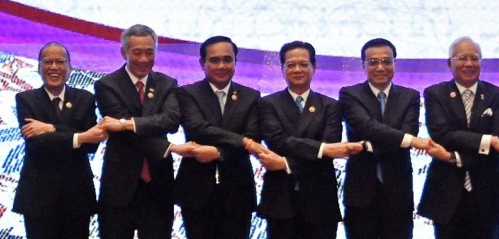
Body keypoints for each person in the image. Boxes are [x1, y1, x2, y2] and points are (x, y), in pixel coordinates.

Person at [176, 35, 284, 239]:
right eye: (214, 60)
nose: (222, 65)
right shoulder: (187, 94)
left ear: (235, 62)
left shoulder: (251, 96)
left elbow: (253, 135)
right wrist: (242, 141)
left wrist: (218, 152)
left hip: (237, 191)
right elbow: (198, 128)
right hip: (196, 191)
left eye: (227, 59)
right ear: (202, 63)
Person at [257, 40, 362, 239]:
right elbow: (278, 141)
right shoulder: (267, 104)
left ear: (314, 67)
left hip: (320, 201)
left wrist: (286, 163)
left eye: (304, 64)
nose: (297, 69)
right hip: (280, 200)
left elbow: (331, 146)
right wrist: (322, 149)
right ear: (282, 69)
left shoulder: (330, 105)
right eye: (291, 64)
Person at [417, 37, 499, 239]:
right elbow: (441, 134)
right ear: (449, 63)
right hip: (446, 194)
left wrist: (453, 157)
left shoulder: (497, 95)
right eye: (462, 58)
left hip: (487, 193)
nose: (469, 63)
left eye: (474, 58)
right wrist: (486, 141)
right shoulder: (435, 94)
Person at [95, 24, 182, 239]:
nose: (144, 59)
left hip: (158, 185)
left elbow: (171, 121)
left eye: (149, 52)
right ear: (124, 53)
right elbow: (129, 132)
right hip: (119, 187)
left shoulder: (167, 84)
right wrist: (172, 146)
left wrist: (126, 123)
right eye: (137, 52)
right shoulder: (107, 85)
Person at [12, 42, 107, 239]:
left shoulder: (85, 99)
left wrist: (51, 129)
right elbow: (38, 143)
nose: (54, 67)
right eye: (47, 62)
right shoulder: (25, 99)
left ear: (70, 67)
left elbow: (92, 144)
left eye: (60, 62)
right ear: (39, 67)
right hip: (38, 197)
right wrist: (79, 136)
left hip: (77, 195)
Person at [339, 38, 428, 239]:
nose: (381, 67)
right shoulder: (349, 94)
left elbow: (409, 132)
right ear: (363, 65)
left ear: (395, 63)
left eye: (387, 61)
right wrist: (408, 141)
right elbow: (366, 126)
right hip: (360, 193)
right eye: (373, 62)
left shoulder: (410, 96)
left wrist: (365, 146)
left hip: (398, 193)